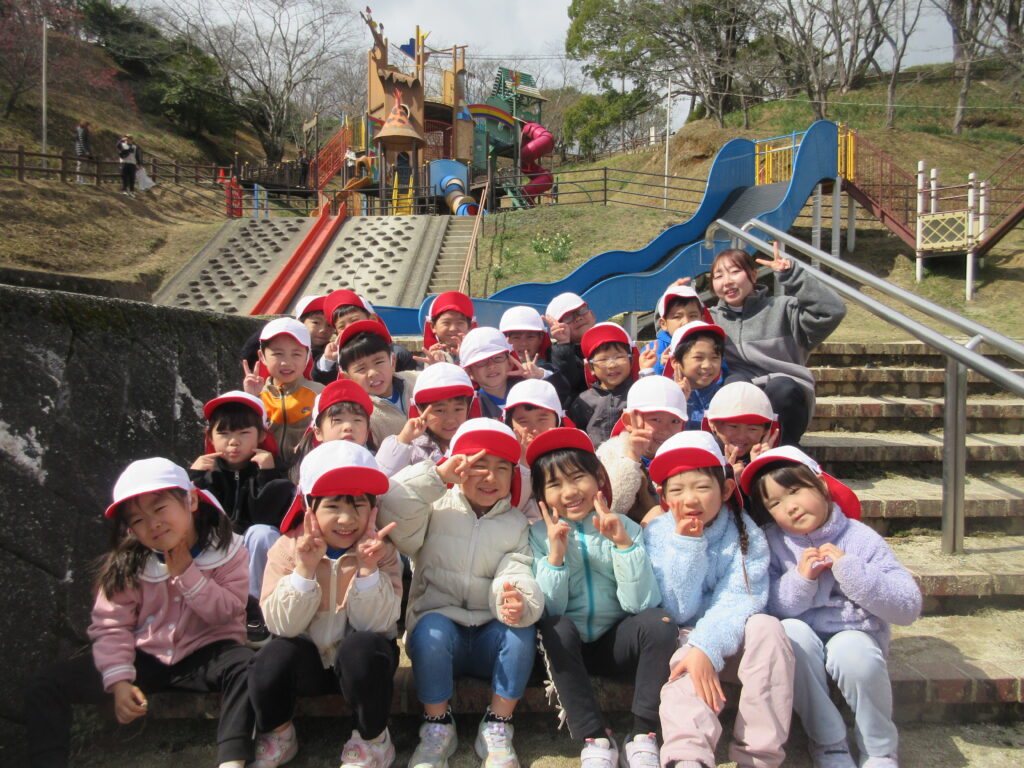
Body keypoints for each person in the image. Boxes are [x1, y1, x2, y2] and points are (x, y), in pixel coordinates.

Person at [24, 458, 255, 768]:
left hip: (209, 650)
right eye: (138, 520)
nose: (153, 524)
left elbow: (227, 612)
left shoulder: (228, 550)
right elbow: (111, 626)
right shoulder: (129, 563)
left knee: (248, 666)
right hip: (147, 656)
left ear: (191, 500)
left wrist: (187, 573)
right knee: (46, 684)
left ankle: (232, 759)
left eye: (160, 509)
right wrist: (119, 681)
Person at [377, 419, 544, 768]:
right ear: (459, 465)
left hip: (488, 633)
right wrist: (437, 476)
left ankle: (498, 724)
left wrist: (514, 598)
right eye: (479, 465)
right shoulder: (434, 508)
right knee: (431, 630)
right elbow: (390, 505)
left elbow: (516, 569)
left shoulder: (516, 523)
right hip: (440, 633)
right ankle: (437, 725)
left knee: (521, 631)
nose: (490, 477)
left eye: (502, 468)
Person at [741, 447, 921, 768]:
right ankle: (828, 740)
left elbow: (907, 606)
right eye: (775, 503)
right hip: (803, 638)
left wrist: (851, 571)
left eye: (795, 491)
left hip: (856, 634)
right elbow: (766, 604)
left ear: (822, 486)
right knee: (788, 635)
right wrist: (800, 580)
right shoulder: (770, 542)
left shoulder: (860, 538)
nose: (791, 507)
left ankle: (879, 748)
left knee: (853, 652)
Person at [643, 432, 795, 768]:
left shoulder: (746, 533)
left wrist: (706, 647)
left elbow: (741, 600)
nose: (690, 499)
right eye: (677, 490)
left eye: (702, 487)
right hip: (681, 637)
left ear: (725, 490)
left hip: (731, 637)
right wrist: (686, 545)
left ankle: (759, 756)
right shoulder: (657, 533)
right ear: (663, 496)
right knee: (687, 665)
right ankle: (689, 757)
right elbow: (676, 609)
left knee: (768, 628)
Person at [527, 428, 677, 768]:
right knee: (555, 626)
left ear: (598, 478)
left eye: (577, 477)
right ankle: (595, 737)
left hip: (615, 645)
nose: (569, 492)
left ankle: (643, 733)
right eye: (554, 484)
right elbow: (549, 611)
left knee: (659, 622)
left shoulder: (625, 526)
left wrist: (623, 545)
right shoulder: (537, 536)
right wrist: (555, 557)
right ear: (541, 495)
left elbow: (640, 605)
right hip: (567, 651)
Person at [249, 441, 403, 768]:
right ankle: (280, 733)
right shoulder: (287, 549)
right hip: (311, 662)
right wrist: (304, 570)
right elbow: (282, 625)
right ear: (309, 506)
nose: (346, 519)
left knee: (363, 649)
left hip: (361, 666)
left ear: (373, 508)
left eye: (358, 505)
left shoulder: (383, 552)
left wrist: (367, 568)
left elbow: (377, 624)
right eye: (333, 506)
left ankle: (373, 739)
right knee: (270, 658)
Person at [708, 245, 846, 446]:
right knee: (735, 384)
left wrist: (793, 275)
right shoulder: (710, 319)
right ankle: (737, 453)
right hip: (742, 397)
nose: (727, 281)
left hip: (787, 398)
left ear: (753, 275)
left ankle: (784, 450)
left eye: (735, 271)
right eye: (718, 276)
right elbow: (675, 329)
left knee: (781, 387)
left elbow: (832, 311)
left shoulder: (784, 309)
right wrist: (676, 295)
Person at [189, 390, 289, 644]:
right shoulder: (205, 473)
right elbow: (193, 520)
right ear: (210, 437)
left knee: (262, 532)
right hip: (218, 549)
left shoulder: (274, 470)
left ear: (262, 435)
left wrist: (266, 475)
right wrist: (194, 479)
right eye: (223, 434)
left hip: (253, 551)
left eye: (244, 433)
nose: (233, 442)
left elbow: (266, 516)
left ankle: (254, 612)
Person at [595, 376, 687, 524]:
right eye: (656, 420)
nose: (665, 430)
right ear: (628, 421)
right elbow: (611, 508)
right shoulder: (609, 453)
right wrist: (632, 457)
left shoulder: (686, 456)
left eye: (675, 421)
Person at [242, 318, 324, 464]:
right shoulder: (256, 394)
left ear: (307, 357)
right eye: (278, 353)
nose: (286, 362)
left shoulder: (320, 393)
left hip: (306, 467)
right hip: (265, 468)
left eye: (296, 354)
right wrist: (251, 399)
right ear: (262, 357)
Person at [375, 362, 475, 476]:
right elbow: (383, 477)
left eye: (458, 409)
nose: (450, 420)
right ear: (420, 411)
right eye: (440, 410)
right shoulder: (413, 449)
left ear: (469, 407)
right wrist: (403, 439)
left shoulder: (478, 442)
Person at [335, 318, 418, 447]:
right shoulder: (358, 414)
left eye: (379, 362)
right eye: (361, 368)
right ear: (346, 377)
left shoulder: (416, 380)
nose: (373, 373)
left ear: (393, 362)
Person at [567, 322, 639, 447]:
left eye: (619, 357)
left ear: (631, 361)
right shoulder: (583, 401)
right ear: (591, 368)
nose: (612, 365)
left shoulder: (638, 393)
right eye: (603, 359)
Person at [317, 290, 415, 374]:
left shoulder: (398, 354)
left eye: (354, 320)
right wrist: (328, 361)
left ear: (372, 319)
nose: (349, 328)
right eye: (341, 327)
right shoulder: (338, 360)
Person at [460, 327, 544, 419]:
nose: (491, 365)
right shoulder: (468, 408)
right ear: (470, 372)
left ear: (510, 363)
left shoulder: (532, 390)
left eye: (498, 358)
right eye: (481, 362)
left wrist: (540, 377)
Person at [703, 381, 778, 482]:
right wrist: (727, 479)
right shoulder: (698, 463)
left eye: (752, 429)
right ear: (712, 424)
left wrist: (760, 470)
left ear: (766, 430)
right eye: (733, 426)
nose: (741, 436)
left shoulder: (780, 464)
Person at [659, 321, 727, 432]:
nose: (707, 365)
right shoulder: (662, 398)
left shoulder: (724, 397)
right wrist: (678, 401)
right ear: (675, 362)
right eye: (698, 358)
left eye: (714, 357)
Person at [500, 305, 571, 406]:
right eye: (516, 337)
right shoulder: (496, 367)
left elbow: (567, 390)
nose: (523, 343)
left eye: (530, 337)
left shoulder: (553, 361)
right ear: (505, 339)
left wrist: (541, 375)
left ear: (541, 338)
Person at [645, 284, 711, 376]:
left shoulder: (710, 344)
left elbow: (720, 376)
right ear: (663, 324)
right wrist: (659, 364)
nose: (686, 322)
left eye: (693, 316)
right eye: (677, 317)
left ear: (702, 319)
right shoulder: (653, 349)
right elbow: (644, 377)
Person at [545, 292, 597, 399]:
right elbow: (568, 383)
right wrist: (563, 343)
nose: (578, 318)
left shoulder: (612, 340)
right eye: (567, 317)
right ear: (556, 327)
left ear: (592, 314)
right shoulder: (557, 353)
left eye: (581, 310)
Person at [504, 378, 570, 459]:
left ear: (557, 420)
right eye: (523, 421)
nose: (534, 429)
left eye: (542, 419)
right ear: (510, 424)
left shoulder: (573, 453)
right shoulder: (503, 458)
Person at [422, 291, 475, 364]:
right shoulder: (426, 358)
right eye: (446, 323)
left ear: (470, 327)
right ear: (433, 327)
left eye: (460, 323)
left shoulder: (480, 356)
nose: (453, 328)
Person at [294, 295, 336, 385]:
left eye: (329, 325)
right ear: (300, 322)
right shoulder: (285, 349)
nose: (323, 330)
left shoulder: (334, 355)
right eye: (316, 322)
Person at [74, 119, 94, 184]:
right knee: (82, 165)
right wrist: (86, 151)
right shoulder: (83, 131)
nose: (90, 127)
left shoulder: (81, 130)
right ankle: (80, 179)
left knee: (83, 165)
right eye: (89, 126)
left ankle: (81, 179)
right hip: (82, 150)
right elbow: (82, 142)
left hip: (81, 150)